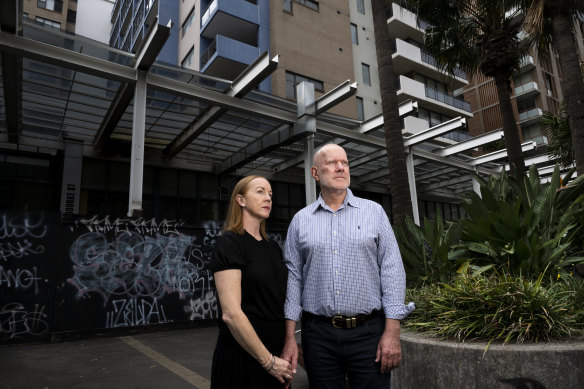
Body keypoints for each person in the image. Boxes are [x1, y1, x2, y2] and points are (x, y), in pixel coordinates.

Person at [281, 144, 414, 388]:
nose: (340, 167)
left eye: (344, 162)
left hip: (369, 334)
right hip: (318, 336)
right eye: (331, 163)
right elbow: (294, 277)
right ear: (315, 173)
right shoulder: (301, 220)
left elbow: (392, 268)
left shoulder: (374, 212)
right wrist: (290, 338)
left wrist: (392, 332)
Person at [210, 175, 293, 388]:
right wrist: (268, 361)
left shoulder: (272, 247)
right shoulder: (229, 242)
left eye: (270, 194)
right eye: (260, 191)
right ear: (241, 200)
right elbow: (231, 314)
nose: (268, 198)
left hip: (276, 355)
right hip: (244, 356)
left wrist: (286, 347)